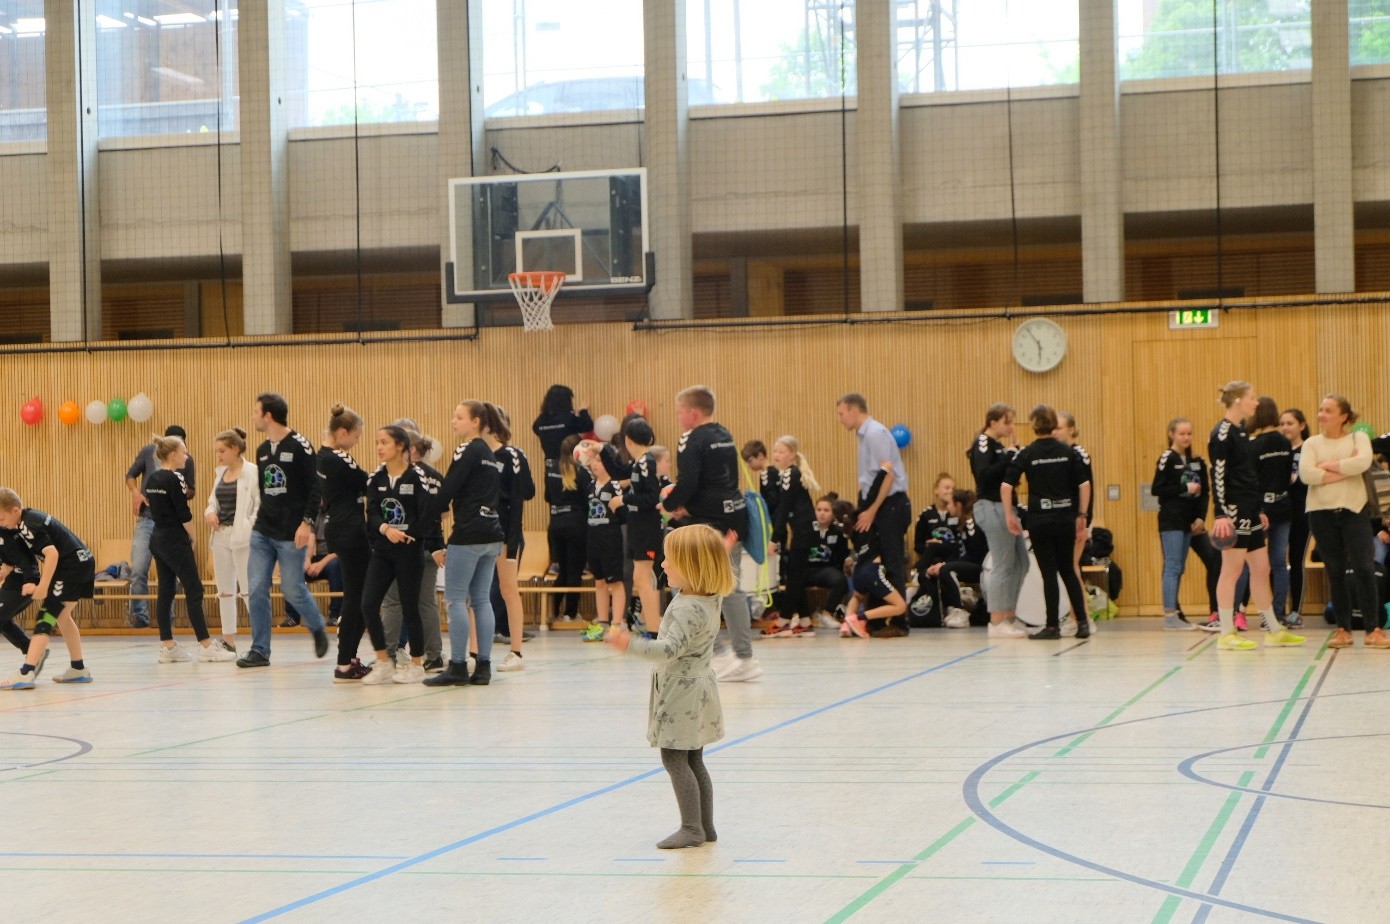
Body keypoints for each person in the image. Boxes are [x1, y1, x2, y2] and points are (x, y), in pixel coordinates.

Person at [603, 524, 727, 850]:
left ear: (691, 568)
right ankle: (705, 826)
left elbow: (668, 649)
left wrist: (627, 643)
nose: (662, 565)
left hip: (681, 692)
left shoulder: (688, 608)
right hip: (698, 687)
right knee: (694, 759)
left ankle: (691, 828)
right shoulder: (706, 597)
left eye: (670, 560)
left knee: (674, 759)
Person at [660, 385, 759, 683]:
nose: (678, 418)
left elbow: (688, 482)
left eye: (679, 413)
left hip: (709, 525)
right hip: (734, 518)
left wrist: (669, 504)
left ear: (693, 412)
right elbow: (718, 483)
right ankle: (745, 657)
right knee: (731, 589)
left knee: (693, 586)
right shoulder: (724, 434)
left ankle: (719, 654)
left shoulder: (691, 439)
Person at [1208, 381, 1306, 650]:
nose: (1256, 403)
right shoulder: (1222, 433)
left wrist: (1258, 510)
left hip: (1251, 509)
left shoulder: (1241, 432)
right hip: (1234, 511)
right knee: (1232, 569)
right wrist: (1221, 513)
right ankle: (1226, 633)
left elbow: (1248, 475)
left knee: (1262, 568)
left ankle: (1273, 629)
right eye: (1252, 398)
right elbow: (1217, 474)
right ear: (1239, 400)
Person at [237, 393, 331, 668]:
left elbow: (316, 489)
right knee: (255, 588)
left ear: (268, 415)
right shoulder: (263, 449)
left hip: (292, 532)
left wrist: (307, 523)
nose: (253, 416)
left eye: (256, 411)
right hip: (263, 531)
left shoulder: (300, 445)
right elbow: (267, 492)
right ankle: (260, 650)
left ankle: (316, 627)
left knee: (292, 589)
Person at [423, 400, 505, 688]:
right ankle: (483, 666)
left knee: (456, 599)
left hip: (468, 534)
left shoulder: (467, 449)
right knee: (481, 600)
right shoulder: (489, 452)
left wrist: (425, 520)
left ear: (475, 422)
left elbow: (449, 487)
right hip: (492, 534)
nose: (453, 422)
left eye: (458, 417)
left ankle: (458, 665)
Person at [1299, 394, 1388, 649]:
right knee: (1335, 571)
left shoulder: (1357, 438)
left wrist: (1327, 467)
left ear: (1343, 417)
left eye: (1328, 410)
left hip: (1354, 510)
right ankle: (1342, 629)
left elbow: (1362, 462)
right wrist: (1341, 472)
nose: (1321, 415)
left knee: (1364, 568)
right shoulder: (1311, 444)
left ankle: (1373, 629)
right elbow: (1306, 473)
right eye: (1320, 409)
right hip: (1320, 512)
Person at [1001, 405, 1092, 641]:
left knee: (1048, 573)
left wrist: (1009, 514)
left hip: (1040, 520)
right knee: (1068, 571)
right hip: (1065, 519)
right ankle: (1082, 622)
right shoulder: (1068, 452)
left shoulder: (1028, 453)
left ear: (1033, 426)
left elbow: (1006, 485)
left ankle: (1052, 627)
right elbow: (1084, 485)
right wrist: (1081, 515)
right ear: (1053, 425)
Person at [358, 425, 440, 684]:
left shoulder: (417, 477)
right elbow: (372, 514)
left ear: (401, 447)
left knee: (410, 606)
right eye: (377, 442)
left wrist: (409, 535)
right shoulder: (376, 478)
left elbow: (428, 514)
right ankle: (384, 660)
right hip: (382, 552)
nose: (379, 447)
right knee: (369, 604)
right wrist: (385, 529)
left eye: (385, 442)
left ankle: (416, 663)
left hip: (409, 551)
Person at [143, 434, 235, 663]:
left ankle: (167, 645)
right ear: (173, 455)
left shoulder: (153, 478)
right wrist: (193, 537)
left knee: (166, 590)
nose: (187, 455)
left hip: (157, 538)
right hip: (174, 539)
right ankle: (205, 644)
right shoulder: (175, 478)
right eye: (184, 451)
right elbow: (184, 514)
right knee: (194, 590)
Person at [0, 491, 95, 689]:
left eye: (2, 518)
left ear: (15, 510)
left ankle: (27, 672)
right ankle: (78, 668)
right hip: (82, 562)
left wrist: (43, 585)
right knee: (62, 616)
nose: (2, 524)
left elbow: (51, 554)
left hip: (72, 567)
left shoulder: (28, 524)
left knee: (46, 615)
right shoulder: (29, 519)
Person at [381, 429, 447, 673]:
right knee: (425, 602)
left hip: (405, 544)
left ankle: (387, 655)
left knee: (393, 602)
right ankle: (434, 655)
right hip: (431, 545)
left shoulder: (407, 475)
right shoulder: (436, 476)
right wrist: (437, 544)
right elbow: (442, 513)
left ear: (408, 449)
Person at [315, 405, 372, 680]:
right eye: (356, 437)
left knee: (357, 596)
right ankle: (345, 661)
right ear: (342, 433)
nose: (356, 443)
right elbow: (369, 483)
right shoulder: (339, 458)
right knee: (358, 598)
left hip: (336, 528)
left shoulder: (320, 457)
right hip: (350, 531)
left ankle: (348, 657)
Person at [835, 393, 911, 594]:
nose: (840, 419)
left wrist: (872, 510)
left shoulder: (874, 433)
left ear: (853, 410)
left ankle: (898, 622)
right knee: (878, 563)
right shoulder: (864, 435)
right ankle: (880, 621)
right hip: (879, 503)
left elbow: (887, 474)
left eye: (842, 414)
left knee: (892, 563)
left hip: (889, 503)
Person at [125, 424, 196, 628]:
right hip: (147, 518)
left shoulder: (186, 460)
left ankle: (169, 618)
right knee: (138, 568)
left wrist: (175, 491)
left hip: (171, 521)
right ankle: (139, 616)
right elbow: (130, 475)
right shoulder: (149, 452)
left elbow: (191, 490)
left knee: (170, 573)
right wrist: (136, 493)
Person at [969, 404, 1028, 638]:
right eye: (1007, 422)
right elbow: (985, 475)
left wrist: (1016, 454)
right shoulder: (983, 443)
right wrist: (1010, 456)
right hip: (991, 506)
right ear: (993, 423)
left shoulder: (1000, 447)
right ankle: (996, 621)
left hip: (1006, 506)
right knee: (1003, 564)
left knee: (1021, 563)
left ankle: (1009, 616)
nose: (1011, 427)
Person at [1151, 418, 1212, 631]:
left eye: (1189, 434)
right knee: (1173, 565)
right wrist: (1183, 487)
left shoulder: (1198, 460)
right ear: (1171, 434)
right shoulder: (1167, 458)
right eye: (1181, 434)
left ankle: (1175, 614)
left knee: (1179, 568)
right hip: (1172, 520)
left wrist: (1201, 517)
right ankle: (1170, 615)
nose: (1186, 438)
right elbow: (1157, 489)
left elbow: (1205, 493)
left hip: (1189, 521)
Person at [486, 408, 535, 672]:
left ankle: (516, 651)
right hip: (480, 534)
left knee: (507, 589)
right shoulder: (473, 454)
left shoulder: (512, 455)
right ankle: (475, 654)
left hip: (506, 533)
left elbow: (527, 492)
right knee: (477, 594)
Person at [204, 428, 259, 653]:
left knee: (248, 588)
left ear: (235, 449)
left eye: (222, 450)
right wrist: (209, 513)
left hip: (243, 537)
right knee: (224, 589)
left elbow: (259, 505)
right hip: (221, 536)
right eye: (217, 451)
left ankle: (260, 640)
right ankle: (229, 640)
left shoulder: (253, 472)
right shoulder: (220, 474)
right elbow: (212, 502)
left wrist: (248, 527)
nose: (219, 455)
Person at [760, 436, 821, 638]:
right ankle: (804, 621)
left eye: (781, 452)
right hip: (804, 529)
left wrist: (773, 539)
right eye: (775, 451)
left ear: (792, 454)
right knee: (797, 575)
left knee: (794, 577)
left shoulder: (790, 475)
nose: (776, 456)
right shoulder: (790, 474)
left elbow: (783, 510)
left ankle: (784, 621)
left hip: (803, 531)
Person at [533, 385, 593, 575]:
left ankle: (556, 561)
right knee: (579, 509)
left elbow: (536, 428)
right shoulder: (569, 419)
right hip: (570, 466)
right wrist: (582, 411)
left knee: (555, 512)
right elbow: (587, 426)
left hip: (550, 468)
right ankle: (580, 561)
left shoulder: (541, 421)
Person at [1244, 397, 1294, 625]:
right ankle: (1277, 613)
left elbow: (1252, 480)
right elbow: (1288, 476)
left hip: (1261, 509)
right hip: (1283, 506)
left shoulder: (1253, 446)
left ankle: (1243, 612)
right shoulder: (1285, 443)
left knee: (1254, 564)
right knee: (1279, 563)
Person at [621, 419, 668, 636]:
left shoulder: (646, 462)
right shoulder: (638, 463)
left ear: (628, 440)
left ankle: (654, 628)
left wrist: (625, 499)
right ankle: (652, 626)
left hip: (646, 528)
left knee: (644, 578)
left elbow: (650, 497)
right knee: (641, 579)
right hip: (637, 527)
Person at [579, 440, 627, 641]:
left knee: (614, 582)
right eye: (594, 461)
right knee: (598, 582)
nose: (596, 464)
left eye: (600, 460)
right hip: (593, 537)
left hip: (610, 537)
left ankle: (617, 623)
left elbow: (623, 515)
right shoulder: (590, 486)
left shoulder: (615, 485)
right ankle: (602, 621)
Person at [919, 489, 987, 629]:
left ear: (958, 505)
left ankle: (959, 610)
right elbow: (959, 550)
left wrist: (945, 564)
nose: (947, 507)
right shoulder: (961, 524)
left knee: (946, 569)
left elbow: (974, 554)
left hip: (981, 566)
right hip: (970, 563)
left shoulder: (971, 523)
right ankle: (950, 604)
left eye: (950, 504)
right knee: (942, 562)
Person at [546, 434, 589, 624]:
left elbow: (548, 496)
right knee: (575, 571)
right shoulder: (582, 471)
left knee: (562, 570)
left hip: (555, 525)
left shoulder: (551, 470)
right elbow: (587, 499)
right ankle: (570, 613)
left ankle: (553, 611)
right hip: (576, 524)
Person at [1279, 408, 1310, 627]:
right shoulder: (1278, 450)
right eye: (1282, 423)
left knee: (1296, 561)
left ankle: (1295, 610)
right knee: (1276, 561)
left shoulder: (1308, 449)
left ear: (1301, 425)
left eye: (1290, 423)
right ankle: (1276, 609)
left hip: (1301, 511)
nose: (1285, 427)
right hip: (1279, 512)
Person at [1054, 412, 1093, 579]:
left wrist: (1083, 517)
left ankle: (1079, 605)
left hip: (1077, 518)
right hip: (1063, 516)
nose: (1054, 432)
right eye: (1052, 428)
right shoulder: (1060, 454)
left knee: (1071, 566)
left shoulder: (1078, 454)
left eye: (1058, 428)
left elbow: (1086, 488)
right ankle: (1075, 605)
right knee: (1066, 566)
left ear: (1071, 430)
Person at [804, 495, 851, 626]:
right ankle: (800, 615)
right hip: (807, 569)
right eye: (819, 510)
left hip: (827, 570)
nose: (822, 513)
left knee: (840, 580)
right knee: (794, 579)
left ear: (833, 513)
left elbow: (842, 555)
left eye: (826, 510)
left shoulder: (839, 532)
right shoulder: (806, 529)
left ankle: (827, 613)